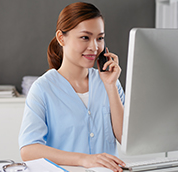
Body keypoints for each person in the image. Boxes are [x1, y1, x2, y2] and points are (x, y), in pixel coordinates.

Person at [19, 2, 126, 172]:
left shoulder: (109, 82)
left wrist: (111, 86)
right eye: (85, 37)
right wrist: (84, 160)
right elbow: (29, 149)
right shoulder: (43, 88)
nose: (94, 47)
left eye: (99, 38)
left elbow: (124, 138)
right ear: (61, 38)